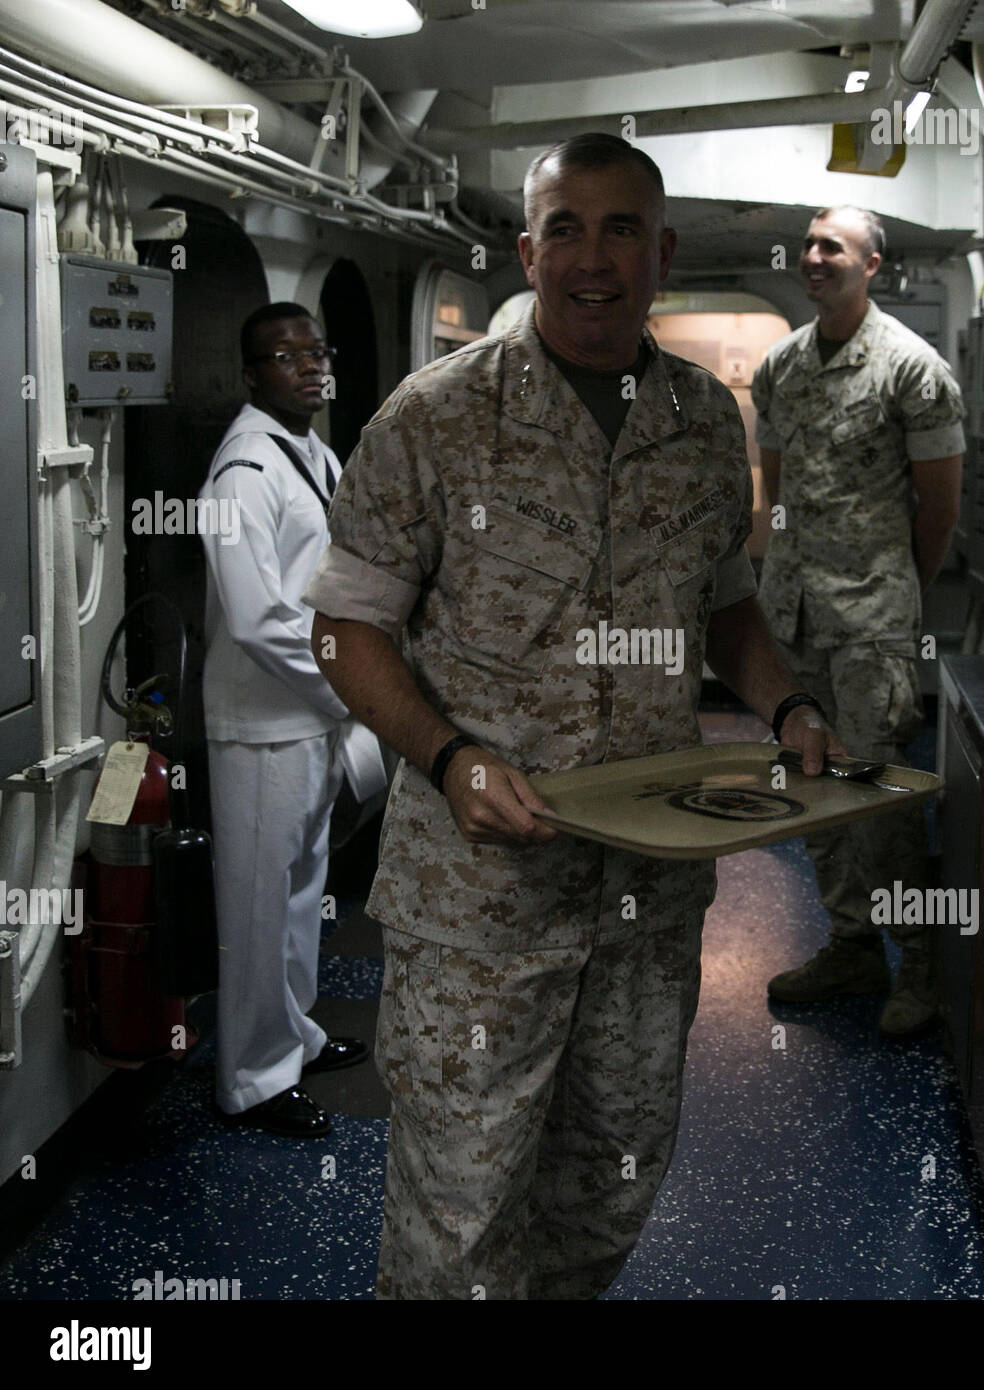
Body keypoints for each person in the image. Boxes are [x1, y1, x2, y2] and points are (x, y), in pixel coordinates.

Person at [303, 133, 845, 1300]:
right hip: (479, 905)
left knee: (609, 1186)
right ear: (527, 248)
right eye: (564, 228)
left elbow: (728, 607)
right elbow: (345, 631)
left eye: (617, 231)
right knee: (460, 1212)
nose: (590, 259)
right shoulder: (435, 419)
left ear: (662, 253)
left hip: (644, 901)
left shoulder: (705, 422)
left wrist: (787, 700)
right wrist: (450, 759)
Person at [753, 206, 964, 1036]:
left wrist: (891, 596)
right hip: (793, 616)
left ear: (871, 264)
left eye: (830, 247)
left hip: (871, 617)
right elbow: (776, 493)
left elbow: (938, 511)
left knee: (879, 797)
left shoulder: (911, 369)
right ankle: (848, 946)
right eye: (806, 245)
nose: (812, 257)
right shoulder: (780, 366)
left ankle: (916, 964)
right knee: (811, 788)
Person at [199, 303, 380, 1138]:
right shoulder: (242, 470)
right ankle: (250, 1079)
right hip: (265, 723)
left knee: (303, 893)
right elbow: (254, 615)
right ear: (251, 372)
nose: (310, 367)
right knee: (257, 906)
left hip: (307, 715)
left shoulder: (311, 451)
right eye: (287, 355)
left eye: (319, 351)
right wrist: (349, 689)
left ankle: (295, 1037)